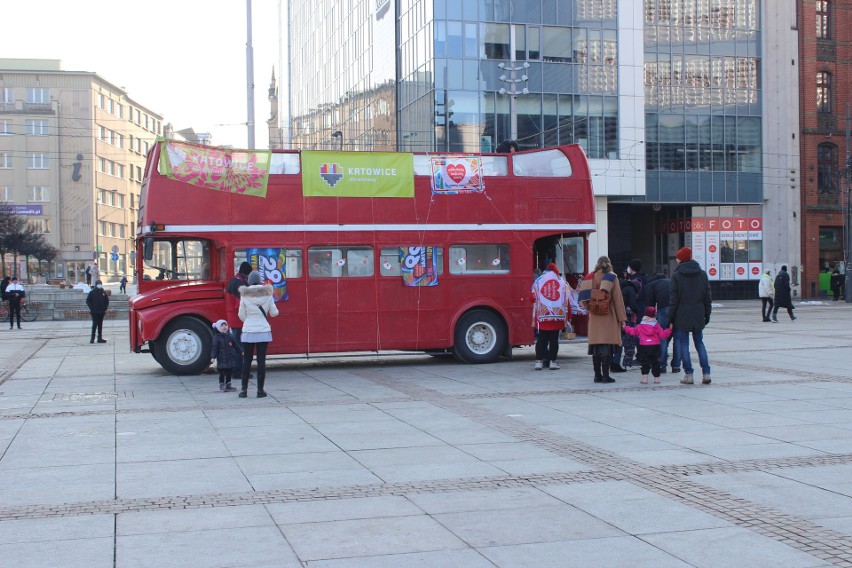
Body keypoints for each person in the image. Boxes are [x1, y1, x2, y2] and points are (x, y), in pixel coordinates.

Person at [579, 256, 627, 383]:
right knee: (606, 346)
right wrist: (622, 318)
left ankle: (597, 375)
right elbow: (617, 299)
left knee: (596, 347)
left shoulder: (590, 277)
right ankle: (606, 376)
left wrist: (591, 308)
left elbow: (584, 299)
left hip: (595, 317)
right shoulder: (612, 277)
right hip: (609, 316)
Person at [669, 246, 712, 385]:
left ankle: (689, 374)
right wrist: (707, 313)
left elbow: (673, 300)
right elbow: (707, 297)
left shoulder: (676, 275)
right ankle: (706, 373)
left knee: (683, 345)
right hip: (698, 313)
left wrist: (671, 317)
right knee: (699, 343)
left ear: (681, 259)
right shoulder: (702, 274)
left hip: (682, 314)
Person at [238, 270, 279, 398]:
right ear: (260, 280)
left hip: (248, 330)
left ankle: (244, 390)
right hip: (263, 330)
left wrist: (249, 321)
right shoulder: (268, 294)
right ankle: (260, 390)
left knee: (247, 361)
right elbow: (274, 313)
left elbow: (241, 314)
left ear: (249, 281)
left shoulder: (244, 295)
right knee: (261, 361)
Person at [531, 263, 571, 370]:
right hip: (557, 316)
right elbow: (567, 298)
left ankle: (538, 362)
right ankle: (553, 362)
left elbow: (532, 296)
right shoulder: (561, 281)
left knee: (541, 339)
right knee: (554, 340)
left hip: (543, 315)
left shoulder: (538, 280)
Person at [622, 306, 672, 384]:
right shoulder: (656, 326)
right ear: (654, 315)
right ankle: (657, 379)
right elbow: (662, 335)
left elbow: (633, 332)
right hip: (654, 346)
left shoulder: (641, 326)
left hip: (643, 346)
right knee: (655, 361)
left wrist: (625, 327)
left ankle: (644, 379)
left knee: (645, 362)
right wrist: (669, 330)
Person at [645, 271, 680, 373]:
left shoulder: (651, 284)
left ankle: (662, 364)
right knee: (677, 338)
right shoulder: (670, 281)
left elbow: (650, 304)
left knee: (662, 336)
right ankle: (676, 366)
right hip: (677, 309)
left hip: (664, 309)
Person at [226, 261, 252, 381]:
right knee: (240, 347)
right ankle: (238, 371)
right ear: (247, 273)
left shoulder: (232, 281)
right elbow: (239, 305)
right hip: (239, 320)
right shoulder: (241, 285)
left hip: (231, 318)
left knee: (235, 345)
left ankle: (234, 370)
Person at [210, 319, 238, 392]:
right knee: (222, 373)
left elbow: (236, 345)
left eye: (225, 325)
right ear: (219, 328)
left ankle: (228, 385)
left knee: (229, 372)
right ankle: (222, 385)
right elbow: (214, 348)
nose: (224, 327)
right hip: (222, 360)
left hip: (229, 359)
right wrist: (213, 357)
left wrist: (241, 351)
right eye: (222, 326)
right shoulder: (216, 337)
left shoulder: (230, 336)